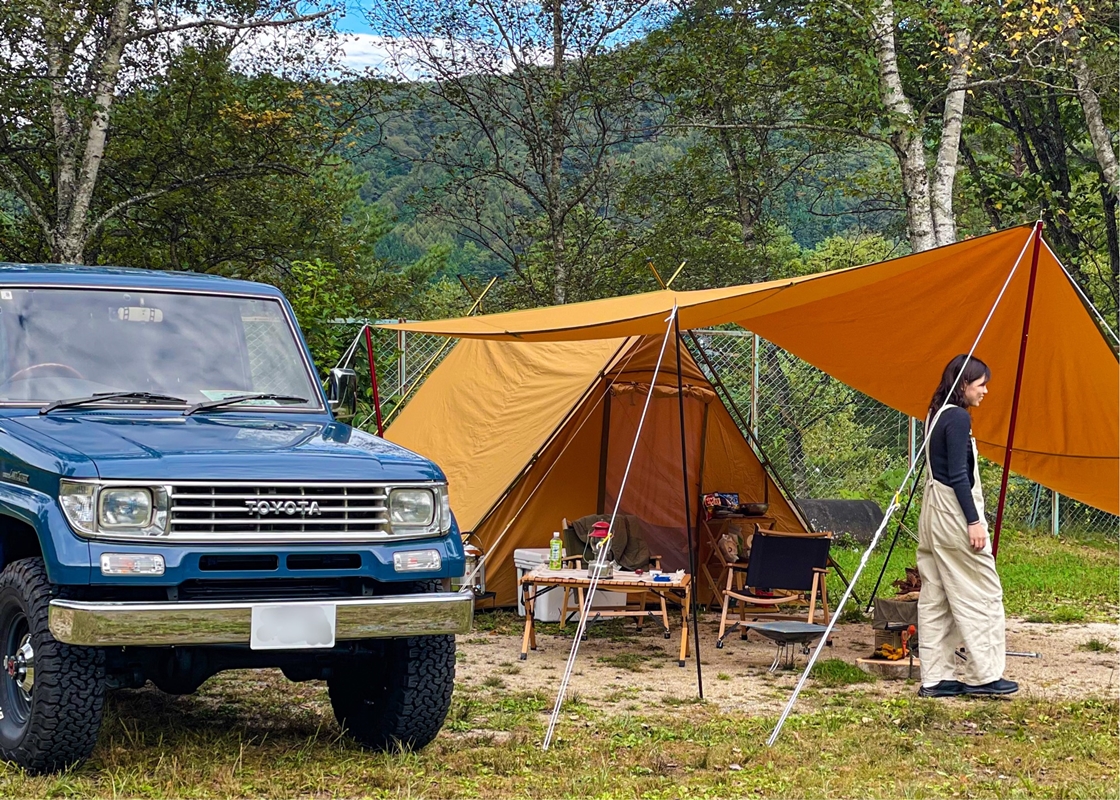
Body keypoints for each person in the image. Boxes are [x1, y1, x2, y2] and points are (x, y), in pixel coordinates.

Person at [916, 354, 1018, 698]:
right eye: (981, 384)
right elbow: (959, 474)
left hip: (932, 513)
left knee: (937, 596)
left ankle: (936, 677)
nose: (985, 391)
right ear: (963, 385)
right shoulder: (957, 417)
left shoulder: (935, 413)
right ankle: (983, 675)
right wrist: (974, 521)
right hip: (953, 514)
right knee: (982, 591)